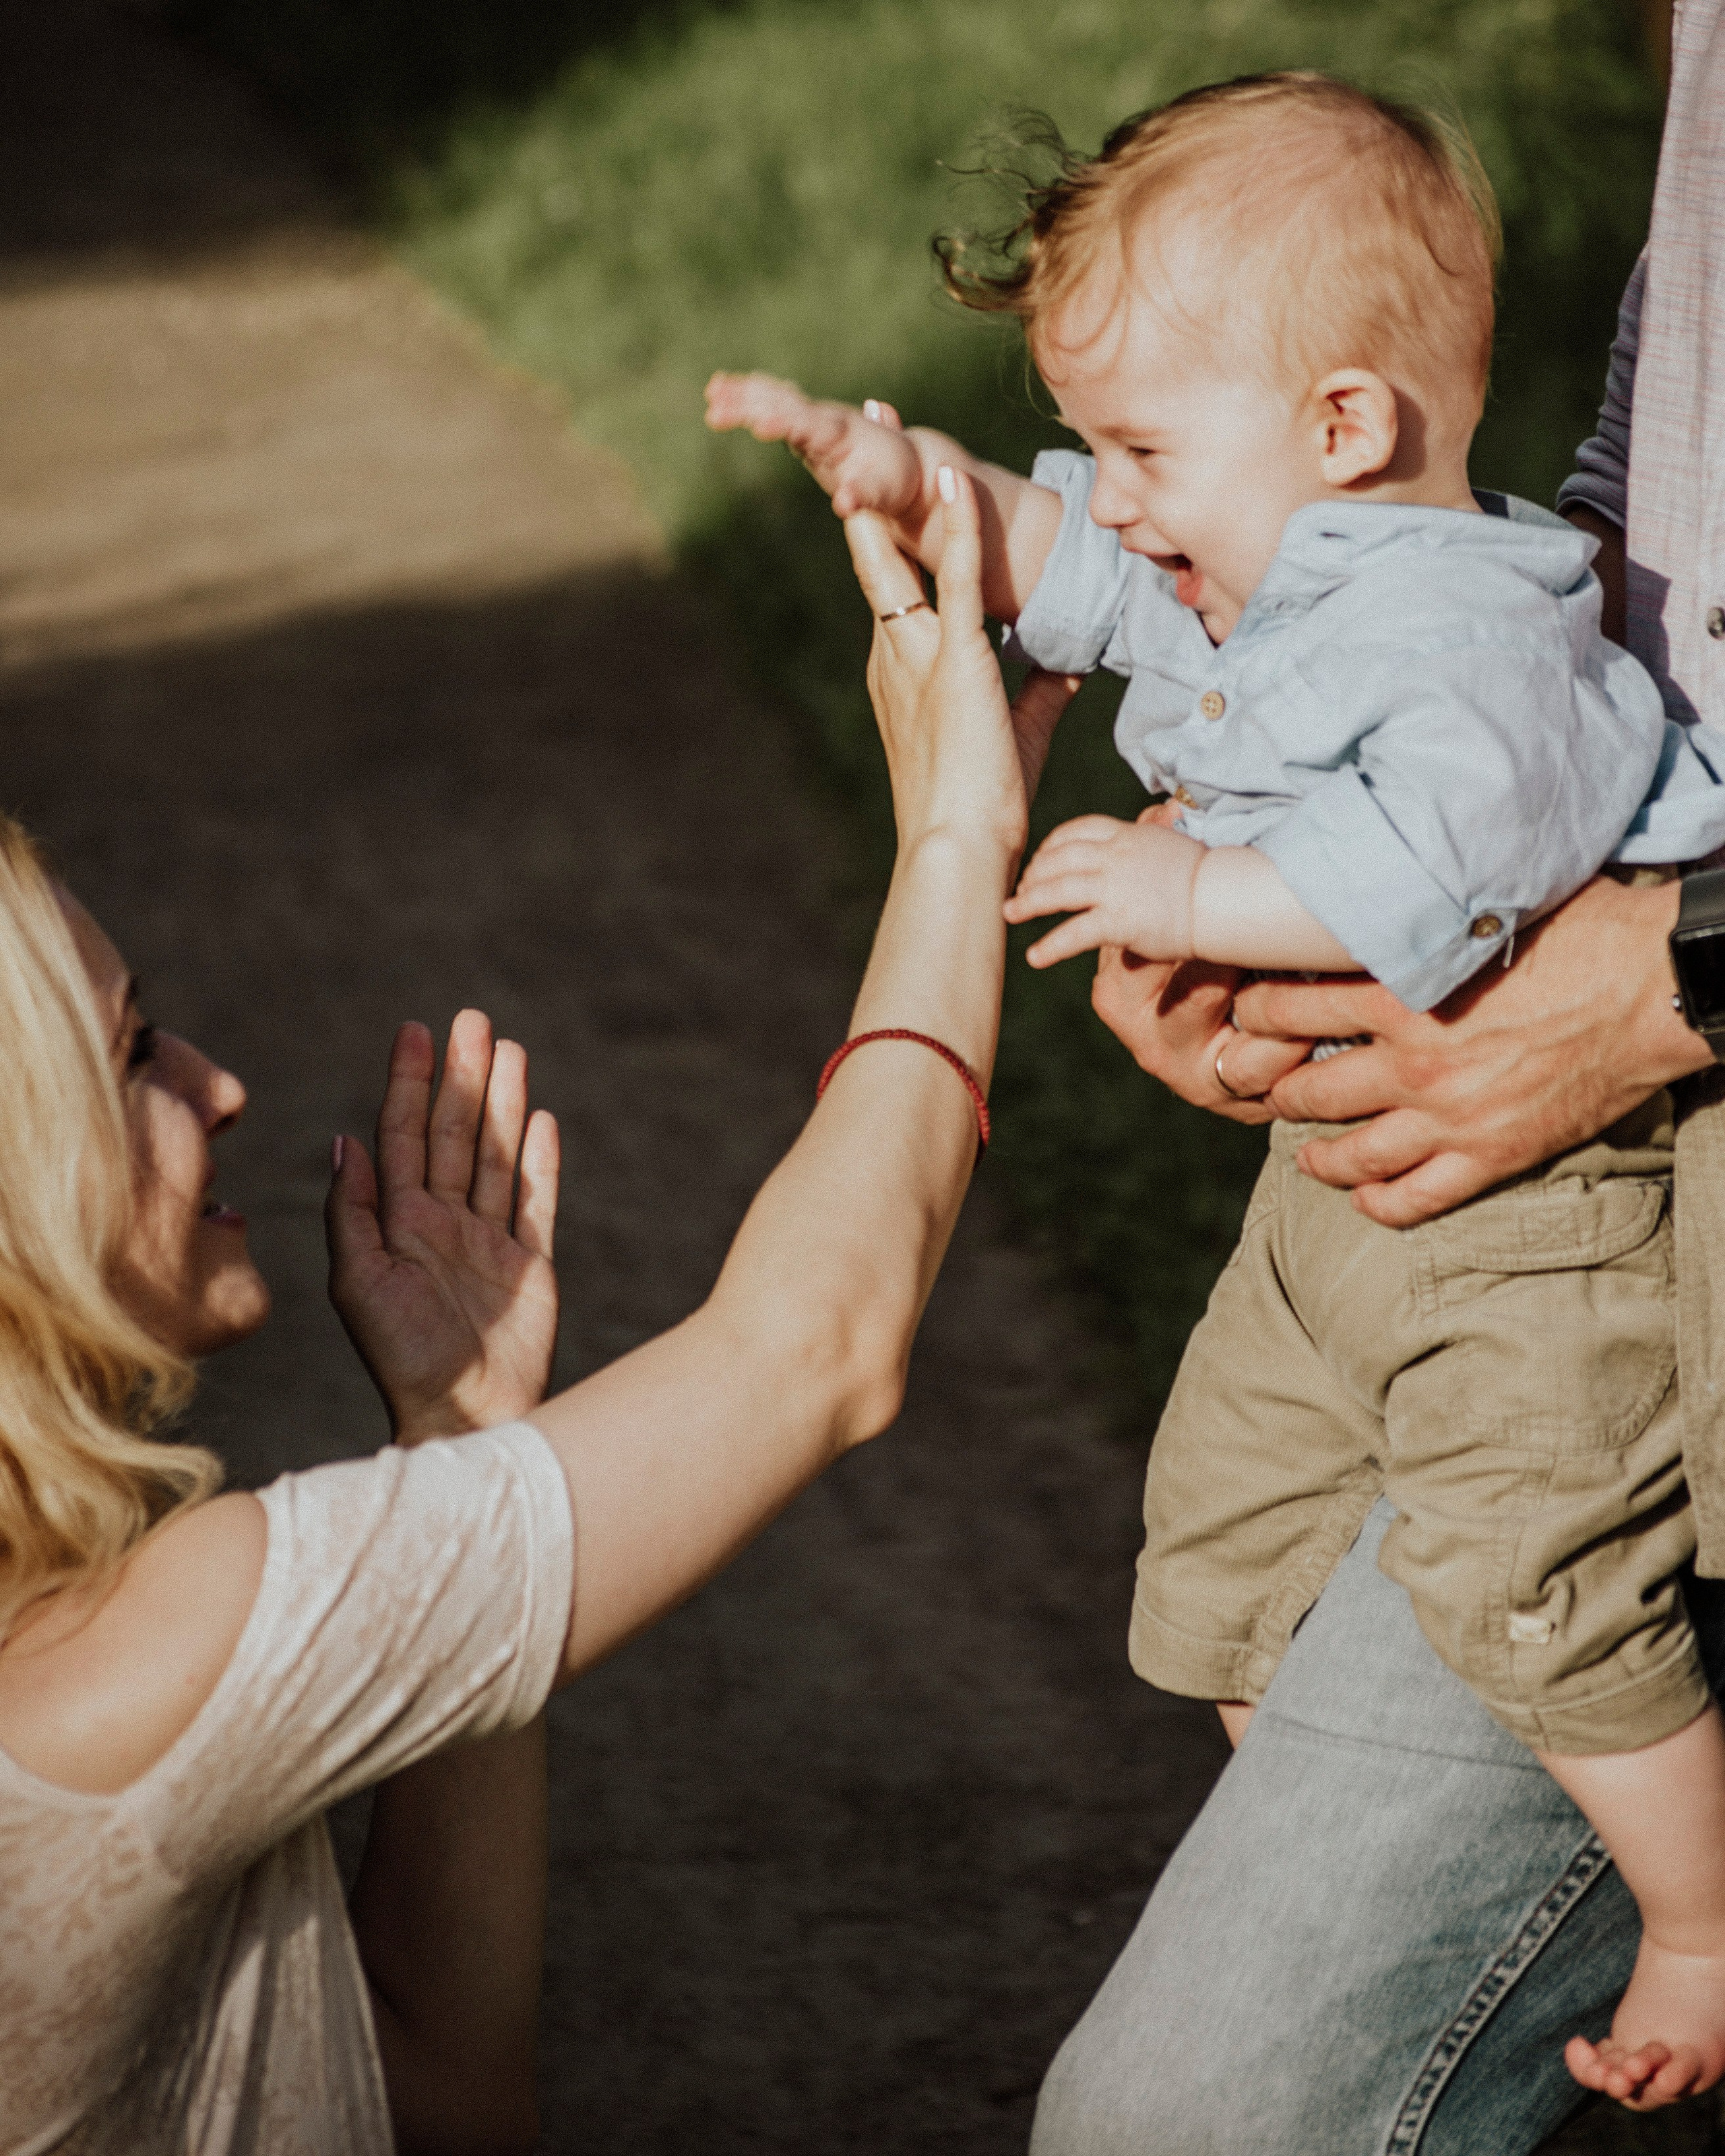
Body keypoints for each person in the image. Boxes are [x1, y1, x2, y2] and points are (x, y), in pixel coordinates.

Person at [708, 67, 1725, 2106]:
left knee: (1542, 1583)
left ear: (1343, 428)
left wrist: (1192, 881)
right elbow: (1073, 555)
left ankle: (1701, 1917)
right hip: (1342, 1212)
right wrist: (921, 487)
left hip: (1539, 1244)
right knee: (1220, 1530)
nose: (1121, 503)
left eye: (1145, 448)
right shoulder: (1264, 554)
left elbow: (1437, 862)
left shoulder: (1473, 640)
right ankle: (1350, 1883)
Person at [0, 474, 1070, 2155]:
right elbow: (819, 1345)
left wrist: (461, 1437)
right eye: (132, 1055)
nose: (218, 1082)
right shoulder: (126, 1673)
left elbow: (432, 2085)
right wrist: (954, 838)